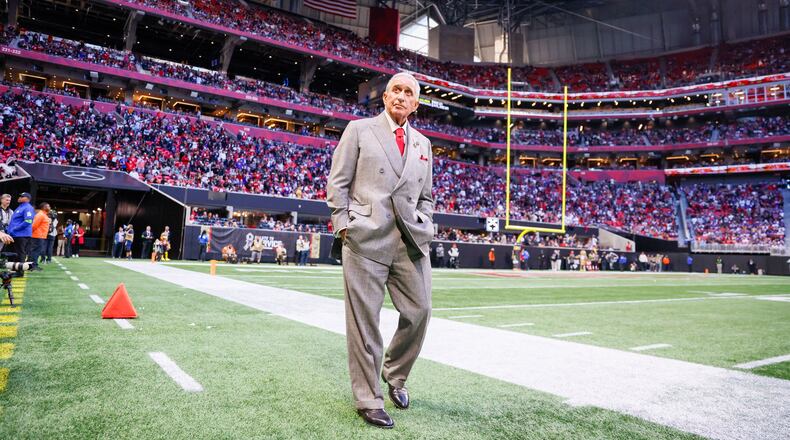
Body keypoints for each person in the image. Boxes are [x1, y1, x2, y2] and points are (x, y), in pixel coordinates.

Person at [326, 72, 433, 428]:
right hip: (366, 238)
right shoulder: (359, 130)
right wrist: (344, 225)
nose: (401, 97)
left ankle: (395, 374)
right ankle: (368, 398)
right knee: (364, 322)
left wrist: (426, 222)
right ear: (385, 97)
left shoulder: (423, 144)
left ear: (416, 104)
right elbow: (338, 182)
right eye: (396, 91)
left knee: (420, 311)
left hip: (410, 241)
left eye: (409, 93)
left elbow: (427, 196)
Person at [8, 192, 35, 265]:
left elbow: (28, 221)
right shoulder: (20, 207)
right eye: (19, 196)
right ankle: (15, 269)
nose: (19, 197)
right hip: (15, 235)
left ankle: (20, 272)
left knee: (20, 253)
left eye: (22, 196)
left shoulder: (28, 207)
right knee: (15, 253)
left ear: (27, 199)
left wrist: (15, 229)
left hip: (22, 235)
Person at [30, 202, 52, 270]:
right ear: (44, 207)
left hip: (40, 236)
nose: (50, 208)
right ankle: (33, 265)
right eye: (48, 206)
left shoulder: (44, 215)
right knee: (35, 251)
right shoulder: (41, 215)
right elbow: (34, 225)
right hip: (37, 236)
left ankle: (32, 265)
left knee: (36, 251)